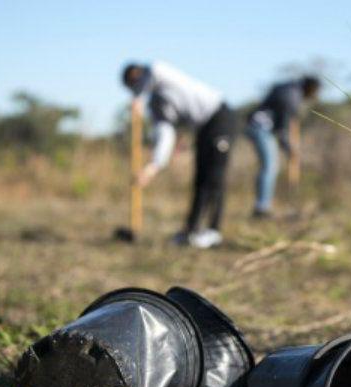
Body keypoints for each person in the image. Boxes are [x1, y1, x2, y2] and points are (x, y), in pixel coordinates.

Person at [122, 61, 236, 248]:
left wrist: (138, 97)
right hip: (204, 127)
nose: (135, 89)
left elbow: (155, 70)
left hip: (219, 116)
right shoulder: (157, 103)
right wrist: (152, 168)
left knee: (215, 177)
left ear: (138, 74)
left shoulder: (159, 72)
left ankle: (214, 232)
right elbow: (165, 134)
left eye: (135, 84)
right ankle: (191, 231)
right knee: (200, 180)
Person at [246, 76, 320, 217]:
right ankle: (261, 209)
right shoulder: (291, 96)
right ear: (310, 88)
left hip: (262, 127)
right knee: (270, 166)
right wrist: (290, 149)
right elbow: (282, 130)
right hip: (260, 127)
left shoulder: (290, 89)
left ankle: (262, 206)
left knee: (269, 166)